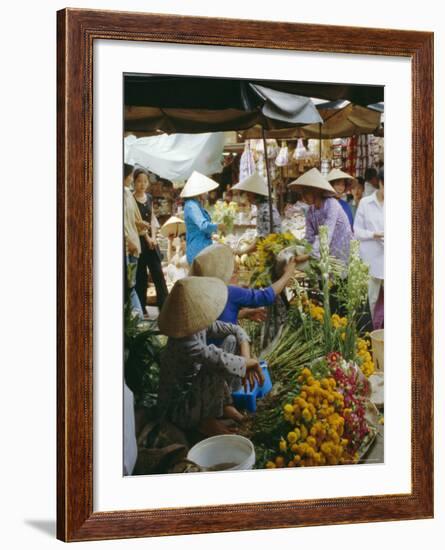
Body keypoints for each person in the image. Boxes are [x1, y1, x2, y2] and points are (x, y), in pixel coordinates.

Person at [157, 277, 264, 435]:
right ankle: (206, 422)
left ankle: (226, 406)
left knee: (231, 340)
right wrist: (248, 363)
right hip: (178, 408)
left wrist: (247, 358)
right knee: (215, 365)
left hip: (195, 391)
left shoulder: (199, 325)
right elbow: (217, 359)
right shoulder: (183, 343)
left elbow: (235, 330)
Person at [289, 167, 352, 263]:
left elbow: (326, 235)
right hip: (326, 255)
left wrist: (308, 256)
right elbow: (309, 237)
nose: (303, 196)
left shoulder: (331, 205)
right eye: (302, 193)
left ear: (316, 191)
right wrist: (300, 249)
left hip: (342, 254)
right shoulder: (311, 210)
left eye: (306, 192)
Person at [133, 167, 169, 312]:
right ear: (134, 182)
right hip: (139, 242)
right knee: (141, 276)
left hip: (151, 243)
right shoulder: (130, 199)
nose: (142, 184)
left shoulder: (148, 197)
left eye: (145, 181)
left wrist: (154, 237)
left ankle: (165, 308)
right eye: (139, 181)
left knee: (158, 274)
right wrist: (147, 238)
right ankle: (141, 309)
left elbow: (152, 218)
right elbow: (134, 221)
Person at [353, 168, 384, 327]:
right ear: (380, 183)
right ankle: (369, 337)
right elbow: (357, 231)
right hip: (370, 261)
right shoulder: (366, 203)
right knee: (370, 300)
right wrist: (373, 235)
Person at [231, 172, 282, 255]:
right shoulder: (264, 207)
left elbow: (261, 240)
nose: (247, 196)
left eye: (249, 194)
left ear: (255, 194)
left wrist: (242, 252)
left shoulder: (264, 210)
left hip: (272, 252)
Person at [181, 171, 226, 264]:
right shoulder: (191, 205)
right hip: (198, 250)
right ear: (199, 191)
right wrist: (218, 226)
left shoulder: (197, 205)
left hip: (203, 248)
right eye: (205, 190)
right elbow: (203, 226)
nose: (207, 193)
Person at [123, 163, 144, 317]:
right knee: (128, 286)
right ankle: (137, 320)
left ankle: (137, 320)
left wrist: (140, 224)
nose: (131, 179)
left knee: (129, 285)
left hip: (132, 248)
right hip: (127, 246)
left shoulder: (127, 194)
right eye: (130, 176)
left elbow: (133, 218)